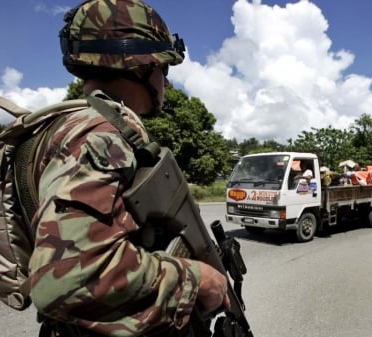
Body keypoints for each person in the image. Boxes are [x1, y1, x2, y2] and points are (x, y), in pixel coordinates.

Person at [28, 1, 229, 336]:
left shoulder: (59, 129)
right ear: (139, 65)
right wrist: (196, 280)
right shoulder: (100, 136)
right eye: (164, 68)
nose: (166, 81)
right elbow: (63, 280)